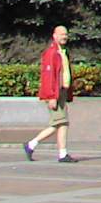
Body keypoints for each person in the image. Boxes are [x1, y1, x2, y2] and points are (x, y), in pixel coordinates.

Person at [23, 24, 76, 162]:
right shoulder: (51, 53)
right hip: (55, 93)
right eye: (61, 34)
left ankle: (31, 145)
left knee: (58, 124)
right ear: (54, 36)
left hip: (62, 92)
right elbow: (48, 76)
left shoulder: (63, 52)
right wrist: (51, 96)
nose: (64, 37)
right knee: (62, 123)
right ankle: (61, 154)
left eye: (65, 34)